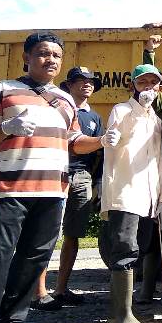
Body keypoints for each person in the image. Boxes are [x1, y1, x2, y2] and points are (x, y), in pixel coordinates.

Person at [0, 33, 105, 323]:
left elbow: (74, 140)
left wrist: (101, 142)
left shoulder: (66, 100)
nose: (51, 60)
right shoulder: (2, 90)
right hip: (9, 189)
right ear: (27, 58)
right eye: (44, 53)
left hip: (53, 191)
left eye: (56, 55)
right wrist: (5, 128)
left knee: (34, 258)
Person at [98, 64, 162, 323]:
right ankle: (123, 314)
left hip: (150, 196)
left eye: (153, 83)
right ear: (133, 85)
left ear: (159, 88)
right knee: (125, 249)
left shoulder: (156, 119)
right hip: (126, 191)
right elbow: (116, 137)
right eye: (143, 82)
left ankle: (124, 307)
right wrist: (115, 133)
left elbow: (159, 161)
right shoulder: (122, 110)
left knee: (140, 247)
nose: (148, 87)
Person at [47, 67, 105, 307]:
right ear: (68, 86)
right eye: (80, 81)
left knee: (73, 234)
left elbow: (100, 153)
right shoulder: (57, 110)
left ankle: (61, 289)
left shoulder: (95, 118)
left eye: (90, 81)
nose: (87, 85)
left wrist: (99, 181)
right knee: (45, 232)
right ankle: (37, 291)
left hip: (82, 176)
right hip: (53, 171)